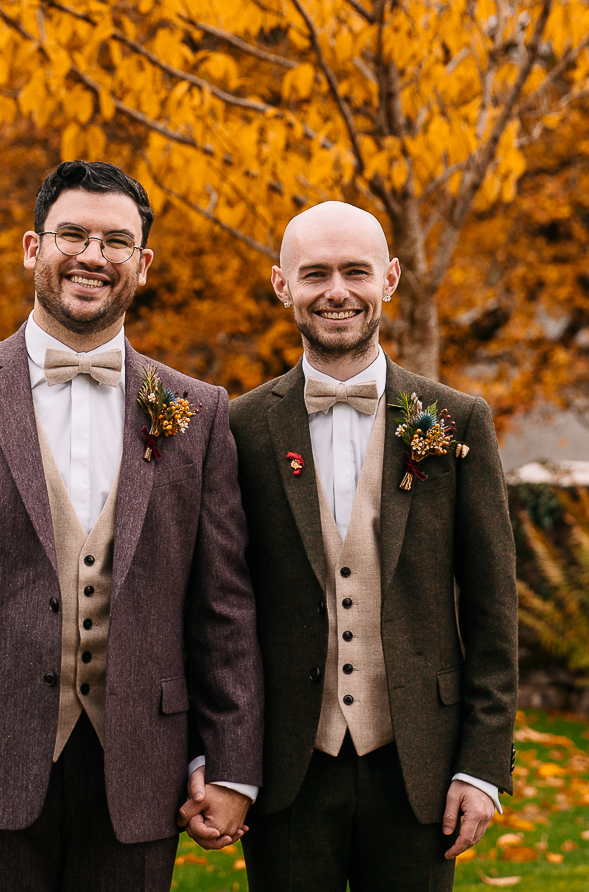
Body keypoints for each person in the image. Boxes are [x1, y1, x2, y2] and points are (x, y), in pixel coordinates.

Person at [0, 160, 262, 890]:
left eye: (115, 242)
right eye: (70, 234)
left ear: (142, 263)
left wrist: (230, 763)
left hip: (144, 773)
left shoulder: (197, 412)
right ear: (31, 248)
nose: (90, 256)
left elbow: (224, 608)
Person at [230, 201, 517, 890]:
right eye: (315, 274)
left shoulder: (455, 421)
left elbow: (493, 610)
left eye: (356, 271)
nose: (337, 291)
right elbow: (218, 609)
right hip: (286, 769)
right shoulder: (237, 428)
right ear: (281, 285)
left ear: (389, 279)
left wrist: (481, 766)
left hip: (420, 767)